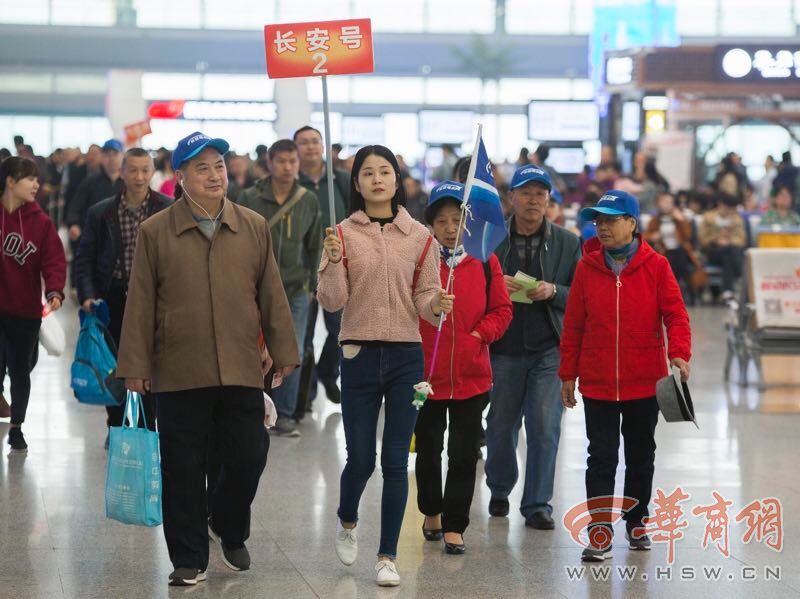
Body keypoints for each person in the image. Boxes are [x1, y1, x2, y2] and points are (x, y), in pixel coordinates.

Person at [117, 131, 299, 587]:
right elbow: (140, 302)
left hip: (240, 364)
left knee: (249, 453)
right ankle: (188, 557)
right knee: (182, 465)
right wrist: (135, 367)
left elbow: (272, 294)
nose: (216, 175)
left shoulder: (252, 226)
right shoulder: (156, 231)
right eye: (203, 168)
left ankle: (228, 524)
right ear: (180, 177)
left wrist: (283, 351)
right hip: (179, 367)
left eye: (219, 166)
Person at [317, 145, 454, 587]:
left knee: (396, 461)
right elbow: (332, 301)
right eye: (368, 173)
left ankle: (387, 555)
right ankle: (347, 519)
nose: (377, 179)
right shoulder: (340, 234)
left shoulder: (420, 237)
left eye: (385, 172)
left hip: (405, 357)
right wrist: (332, 262)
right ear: (356, 183)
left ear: (397, 180)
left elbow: (425, 297)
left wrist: (435, 305)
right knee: (361, 459)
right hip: (358, 355)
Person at [560, 190, 691, 562]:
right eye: (598, 221)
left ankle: (637, 522)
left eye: (611, 220)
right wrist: (568, 373)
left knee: (640, 456)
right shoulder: (587, 267)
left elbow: (676, 314)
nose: (602, 227)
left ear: (632, 224)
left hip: (643, 381)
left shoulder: (657, 266)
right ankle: (599, 531)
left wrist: (680, 353)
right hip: (598, 381)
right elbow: (574, 325)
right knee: (600, 457)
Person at [415, 181, 512, 555]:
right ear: (431, 224)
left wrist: (477, 336)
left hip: (472, 376)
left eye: (457, 219)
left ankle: (455, 524)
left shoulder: (485, 261)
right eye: (441, 220)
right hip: (425, 377)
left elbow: (502, 310)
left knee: (463, 453)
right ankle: (431, 510)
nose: (450, 227)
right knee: (427, 448)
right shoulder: (420, 263)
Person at [484, 164, 581, 530]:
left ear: (549, 200)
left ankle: (538, 504)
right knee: (500, 425)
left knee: (544, 426)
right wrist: (497, 286)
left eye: (540, 194)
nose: (533, 200)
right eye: (525, 193)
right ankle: (499, 487)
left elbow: (581, 296)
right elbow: (472, 287)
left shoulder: (568, 243)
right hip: (503, 347)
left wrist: (553, 291)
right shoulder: (492, 240)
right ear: (511, 198)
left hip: (548, 348)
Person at [74, 148, 172, 447]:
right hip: (112, 296)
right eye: (133, 170)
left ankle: (148, 427)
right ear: (122, 172)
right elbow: (85, 258)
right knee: (114, 364)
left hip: (153, 297)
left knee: (151, 363)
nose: (139, 177)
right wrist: (88, 295)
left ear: (152, 172)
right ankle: (116, 426)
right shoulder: (102, 212)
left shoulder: (167, 209)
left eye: (145, 170)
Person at [237, 139, 321, 437]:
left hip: (296, 289)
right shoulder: (250, 197)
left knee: (291, 350)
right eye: (281, 161)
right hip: (255, 287)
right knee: (250, 347)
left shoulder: (308, 199)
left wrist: (311, 284)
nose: (287, 167)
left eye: (292, 161)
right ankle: (250, 409)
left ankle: (284, 414)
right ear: (269, 163)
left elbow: (315, 246)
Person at [0, 156, 66, 452]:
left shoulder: (41, 223)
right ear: (10, 182)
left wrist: (54, 290)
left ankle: (16, 427)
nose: (36, 184)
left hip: (25, 311)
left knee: (21, 370)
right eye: (30, 178)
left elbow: (54, 260)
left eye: (37, 179)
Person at [293, 125, 349, 406]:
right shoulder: (291, 182)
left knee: (340, 330)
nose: (311, 147)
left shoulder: (341, 180)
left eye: (315, 141)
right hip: (302, 272)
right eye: (304, 142)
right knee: (303, 337)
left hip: (337, 269)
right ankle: (307, 389)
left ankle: (328, 372)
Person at [67, 139, 125, 246]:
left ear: (123, 156)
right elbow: (75, 207)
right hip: (94, 237)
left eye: (115, 154)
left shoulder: (129, 183)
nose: (111, 158)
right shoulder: (90, 182)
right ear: (102, 157)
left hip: (122, 238)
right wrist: (74, 224)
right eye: (107, 154)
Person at [643, 191, 699, 290]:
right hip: (663, 250)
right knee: (668, 258)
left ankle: (681, 287)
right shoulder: (655, 220)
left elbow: (688, 237)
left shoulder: (680, 218)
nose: (666, 204)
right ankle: (673, 287)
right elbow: (645, 236)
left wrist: (681, 220)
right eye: (663, 202)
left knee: (680, 255)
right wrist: (653, 236)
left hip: (681, 250)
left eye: (668, 202)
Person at [698, 193, 746, 301]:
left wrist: (728, 241)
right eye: (726, 207)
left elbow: (742, 239)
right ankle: (740, 271)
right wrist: (716, 240)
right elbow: (702, 239)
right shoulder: (708, 218)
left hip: (730, 251)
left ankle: (727, 292)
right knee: (730, 252)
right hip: (713, 251)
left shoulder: (737, 220)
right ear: (720, 205)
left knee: (727, 258)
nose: (728, 210)